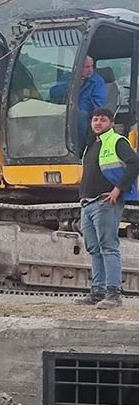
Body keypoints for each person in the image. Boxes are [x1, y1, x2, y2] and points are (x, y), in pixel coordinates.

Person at [73, 108, 139, 309]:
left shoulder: (117, 141)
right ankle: (97, 291)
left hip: (105, 202)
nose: (98, 123)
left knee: (108, 247)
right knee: (94, 248)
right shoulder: (92, 145)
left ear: (111, 123)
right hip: (88, 203)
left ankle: (114, 294)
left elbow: (134, 163)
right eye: (95, 119)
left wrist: (118, 190)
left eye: (102, 120)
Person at [50, 56, 109, 152]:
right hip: (65, 112)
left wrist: (78, 109)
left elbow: (99, 104)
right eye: (86, 67)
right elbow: (53, 93)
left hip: (87, 116)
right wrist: (72, 85)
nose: (90, 70)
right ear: (78, 67)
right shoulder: (68, 78)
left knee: (81, 116)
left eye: (92, 66)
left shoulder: (98, 82)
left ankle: (76, 151)